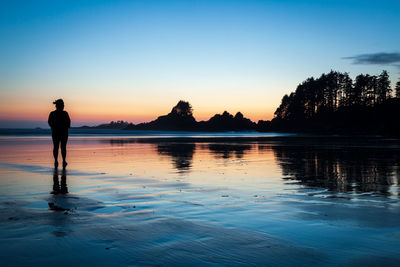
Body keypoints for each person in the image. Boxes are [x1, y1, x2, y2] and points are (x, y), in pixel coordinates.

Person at [48, 99, 71, 168]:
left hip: (56, 133)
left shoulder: (52, 113)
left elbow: (50, 122)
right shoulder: (64, 113)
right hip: (63, 133)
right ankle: (63, 161)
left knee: (56, 147)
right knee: (62, 147)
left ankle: (56, 161)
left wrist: (54, 127)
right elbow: (68, 123)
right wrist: (64, 126)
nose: (64, 106)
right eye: (63, 104)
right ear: (59, 105)